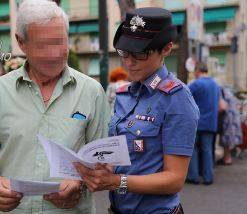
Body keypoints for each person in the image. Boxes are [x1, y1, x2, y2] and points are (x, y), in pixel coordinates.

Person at [0, 0, 111, 213]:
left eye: (60, 41)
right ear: (21, 43)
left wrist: (81, 184)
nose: (55, 53)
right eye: (42, 45)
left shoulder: (92, 92)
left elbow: (104, 163)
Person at [74, 7, 199, 214]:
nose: (129, 61)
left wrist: (115, 181)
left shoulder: (176, 98)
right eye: (124, 52)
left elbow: (174, 180)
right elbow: (129, 158)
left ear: (166, 49)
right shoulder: (124, 95)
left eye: (140, 53)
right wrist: (106, 169)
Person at [186, 62, 220, 185]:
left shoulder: (195, 84)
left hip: (196, 122)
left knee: (192, 150)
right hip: (211, 123)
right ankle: (208, 177)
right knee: (207, 150)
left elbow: (185, 102)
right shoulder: (215, 85)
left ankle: (193, 176)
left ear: (196, 70)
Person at [217, 87, 242, 165]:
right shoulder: (228, 92)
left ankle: (227, 159)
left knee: (226, 138)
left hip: (227, 118)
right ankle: (227, 156)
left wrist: (218, 114)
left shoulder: (220, 92)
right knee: (230, 137)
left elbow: (222, 107)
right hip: (233, 117)